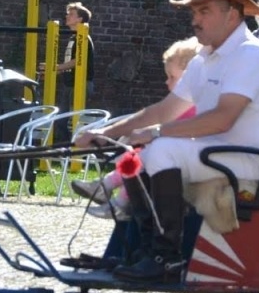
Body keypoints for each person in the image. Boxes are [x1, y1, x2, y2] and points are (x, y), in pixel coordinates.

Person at [73, 0, 259, 282]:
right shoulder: (205, 59)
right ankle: (144, 250)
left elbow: (223, 118)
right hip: (217, 152)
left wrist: (156, 133)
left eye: (204, 11)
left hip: (250, 159)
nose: (195, 20)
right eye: (194, 12)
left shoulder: (250, 55)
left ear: (232, 14)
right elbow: (165, 109)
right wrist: (107, 133)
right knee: (136, 154)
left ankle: (167, 258)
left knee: (161, 150)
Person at [80, 36, 201, 220]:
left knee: (145, 153)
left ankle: (114, 194)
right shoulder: (188, 101)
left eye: (172, 77)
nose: (167, 82)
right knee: (138, 152)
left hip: (182, 157)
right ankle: (111, 191)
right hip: (178, 154)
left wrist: (150, 133)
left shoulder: (193, 103)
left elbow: (171, 124)